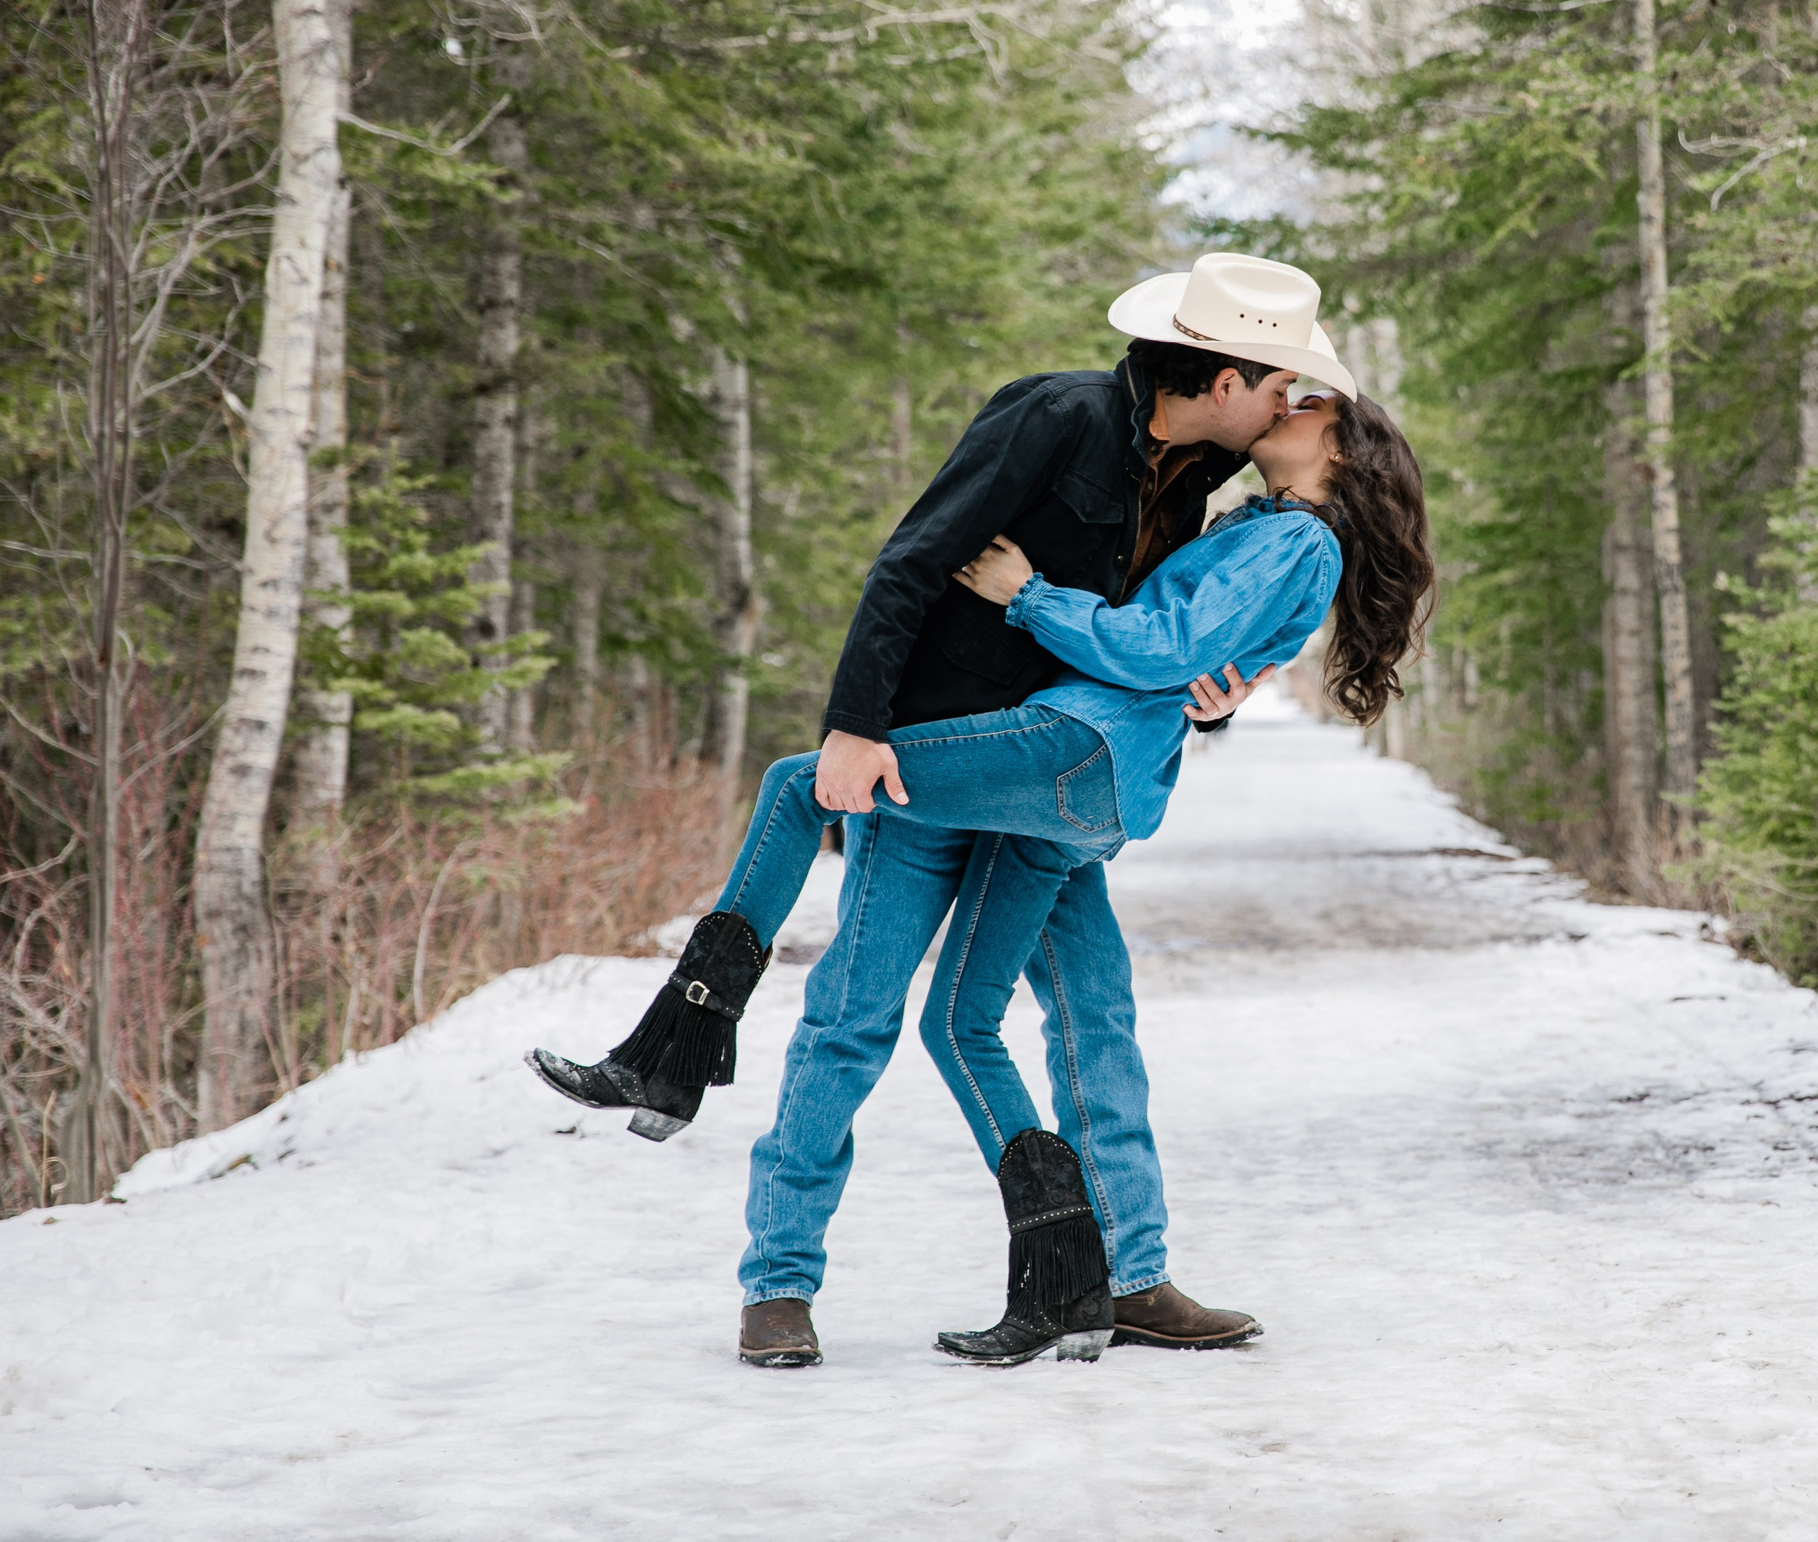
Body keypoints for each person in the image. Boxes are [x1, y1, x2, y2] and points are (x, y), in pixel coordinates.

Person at [534, 256, 1377, 1368]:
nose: (1291, 403)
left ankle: (1124, 1275)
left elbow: (1163, 644)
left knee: (1092, 1018)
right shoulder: (1056, 415)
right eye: (1282, 385)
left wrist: (1212, 700)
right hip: (929, 756)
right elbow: (912, 561)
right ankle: (777, 1281)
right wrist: (854, 724)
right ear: (1227, 380)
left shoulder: (1206, 487)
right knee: (853, 1021)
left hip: (1043, 767)